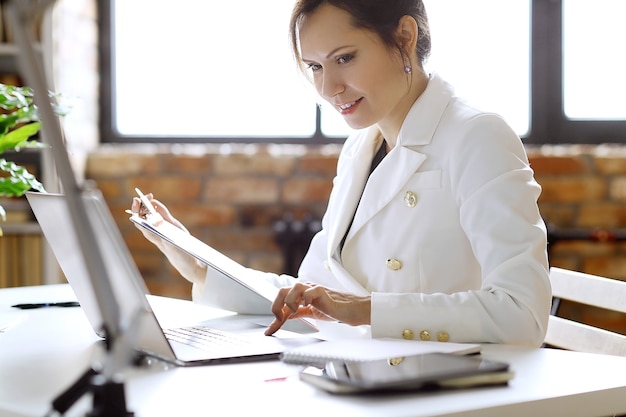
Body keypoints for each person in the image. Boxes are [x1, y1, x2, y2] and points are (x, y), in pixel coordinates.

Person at [132, 0, 552, 346]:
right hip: (359, 381)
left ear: (405, 38)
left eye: (344, 58)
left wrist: (362, 310)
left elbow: (522, 315)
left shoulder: (477, 135)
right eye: (315, 67)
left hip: (444, 391)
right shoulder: (359, 149)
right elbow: (311, 295)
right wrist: (198, 264)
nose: (328, 88)